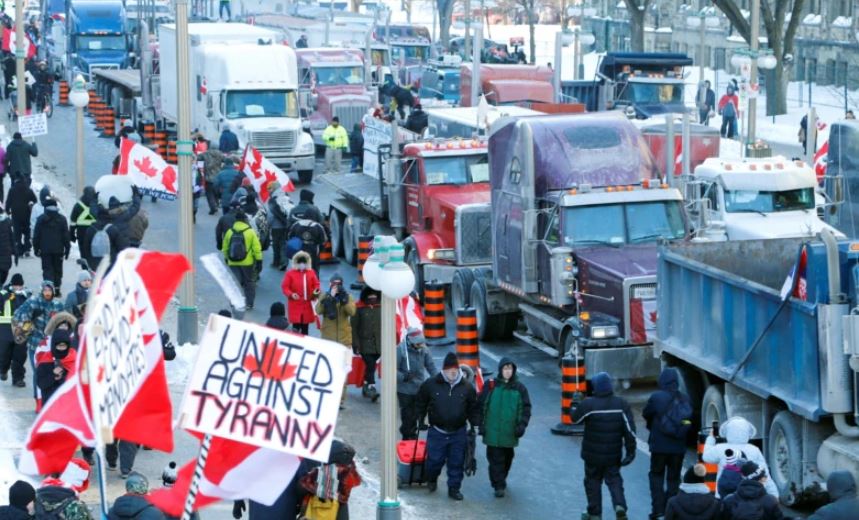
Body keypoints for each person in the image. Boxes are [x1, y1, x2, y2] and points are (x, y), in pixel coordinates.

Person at [570, 371, 637, 520]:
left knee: (592, 481)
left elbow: (575, 419)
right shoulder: (621, 404)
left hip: (592, 455)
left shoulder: (588, 404)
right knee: (614, 480)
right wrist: (630, 451)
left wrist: (575, 403)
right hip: (613, 454)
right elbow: (630, 431)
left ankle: (594, 513)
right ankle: (620, 505)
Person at [416, 351, 480, 501]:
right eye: (450, 369)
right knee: (434, 461)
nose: (452, 372)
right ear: (444, 369)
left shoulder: (467, 387)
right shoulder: (431, 384)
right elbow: (420, 402)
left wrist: (475, 424)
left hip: (458, 432)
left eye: (455, 369)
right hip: (437, 431)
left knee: (456, 462)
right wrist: (420, 419)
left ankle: (454, 488)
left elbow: (473, 407)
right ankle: (432, 479)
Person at [642, 367, 692, 520]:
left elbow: (646, 413)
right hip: (678, 447)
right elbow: (688, 421)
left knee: (656, 476)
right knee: (674, 479)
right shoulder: (684, 398)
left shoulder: (657, 397)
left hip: (659, 446)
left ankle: (658, 511)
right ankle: (672, 512)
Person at [478, 357, 531, 498]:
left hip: (509, 432)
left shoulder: (519, 388)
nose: (508, 372)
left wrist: (522, 425)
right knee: (495, 459)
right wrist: (480, 425)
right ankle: (498, 485)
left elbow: (525, 409)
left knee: (508, 457)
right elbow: (481, 406)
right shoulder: (491, 386)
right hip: (492, 433)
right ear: (500, 370)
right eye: (505, 368)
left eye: (510, 369)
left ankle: (501, 478)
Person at [702, 417, 778, 497]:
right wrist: (774, 495)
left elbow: (706, 457)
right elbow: (765, 474)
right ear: (747, 433)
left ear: (727, 432)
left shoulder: (720, 448)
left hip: (725, 496)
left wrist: (711, 438)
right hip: (747, 496)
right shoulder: (754, 450)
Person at [316, 273, 355, 409]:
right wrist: (329, 299)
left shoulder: (348, 296)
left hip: (344, 341)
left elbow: (352, 312)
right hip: (328, 340)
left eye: (339, 284)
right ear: (330, 284)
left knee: (343, 372)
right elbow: (318, 310)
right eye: (334, 284)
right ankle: (327, 398)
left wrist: (343, 301)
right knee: (327, 371)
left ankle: (340, 401)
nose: (336, 287)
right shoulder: (325, 296)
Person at [397, 327, 437, 440]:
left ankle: (413, 430)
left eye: (421, 343)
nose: (420, 345)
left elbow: (431, 366)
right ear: (410, 342)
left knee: (417, 412)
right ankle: (407, 435)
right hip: (405, 390)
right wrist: (403, 376)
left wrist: (439, 379)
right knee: (408, 415)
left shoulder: (424, 350)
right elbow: (391, 369)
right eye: (418, 343)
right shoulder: (400, 350)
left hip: (419, 387)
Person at [221, 210, 263, 310]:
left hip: (233, 261)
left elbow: (225, 247)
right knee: (249, 282)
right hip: (247, 262)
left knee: (235, 282)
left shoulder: (230, 232)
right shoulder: (250, 232)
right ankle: (249, 303)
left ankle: (234, 302)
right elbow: (257, 248)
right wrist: (259, 260)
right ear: (244, 220)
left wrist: (227, 258)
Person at [33, 198, 71, 295]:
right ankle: (57, 289)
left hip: (45, 250)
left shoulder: (41, 219)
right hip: (58, 250)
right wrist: (67, 249)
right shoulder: (62, 219)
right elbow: (66, 236)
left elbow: (36, 235)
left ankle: (48, 290)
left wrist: (36, 248)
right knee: (58, 269)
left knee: (47, 270)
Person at [352, 286, 381, 401]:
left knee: (371, 367)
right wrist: (356, 344)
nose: (373, 299)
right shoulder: (359, 308)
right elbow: (354, 328)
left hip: (378, 345)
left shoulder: (381, 307)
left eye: (375, 297)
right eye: (370, 297)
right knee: (370, 365)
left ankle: (365, 385)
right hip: (364, 344)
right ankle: (371, 386)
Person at [287, 190, 326, 274]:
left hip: (298, 248)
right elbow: (323, 239)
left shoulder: (293, 210)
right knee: (314, 269)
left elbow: (289, 232)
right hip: (313, 250)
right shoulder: (315, 211)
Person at [281, 251, 320, 335]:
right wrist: (291, 294)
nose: (302, 265)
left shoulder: (311, 272)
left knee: (305, 329)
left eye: (304, 263)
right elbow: (285, 287)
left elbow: (317, 285)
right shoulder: (290, 274)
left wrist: (315, 293)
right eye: (300, 263)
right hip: (295, 304)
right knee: (295, 328)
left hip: (307, 305)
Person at [0, 273, 28, 387]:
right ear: (12, 285)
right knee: (4, 352)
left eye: (20, 286)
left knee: (20, 355)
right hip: (5, 326)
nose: (18, 288)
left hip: (21, 327)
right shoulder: (3, 294)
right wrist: (6, 297)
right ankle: (3, 369)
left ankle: (18, 378)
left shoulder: (27, 295)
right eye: (16, 285)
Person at [35, 328, 75, 404]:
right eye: (59, 346)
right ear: (54, 345)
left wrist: (62, 377)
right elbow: (41, 384)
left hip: (68, 403)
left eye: (64, 346)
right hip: (50, 403)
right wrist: (53, 375)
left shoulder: (74, 359)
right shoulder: (45, 360)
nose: (61, 349)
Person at [5, 176, 36, 257]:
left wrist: (7, 211)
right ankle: (27, 248)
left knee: (17, 232)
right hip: (26, 213)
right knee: (26, 231)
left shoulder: (12, 190)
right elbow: (35, 200)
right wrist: (30, 204)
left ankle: (19, 250)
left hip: (15, 214)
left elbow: (8, 202)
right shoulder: (28, 189)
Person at [266, 181, 292, 270]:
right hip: (285, 225)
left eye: (270, 188)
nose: (268, 190)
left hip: (276, 227)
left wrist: (267, 225)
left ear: (274, 189)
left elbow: (271, 215)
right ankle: (284, 262)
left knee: (276, 245)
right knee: (283, 244)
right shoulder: (286, 196)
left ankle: (276, 262)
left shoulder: (272, 200)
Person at [0, 203, 15, 285]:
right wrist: (15, 251)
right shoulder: (7, 222)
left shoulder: (7, 222)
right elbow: (12, 238)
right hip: (6, 258)